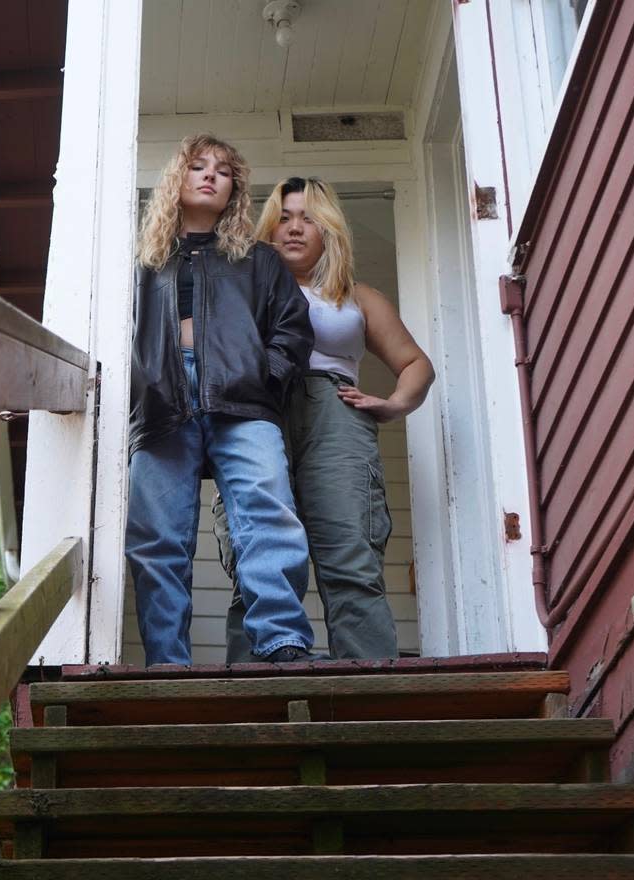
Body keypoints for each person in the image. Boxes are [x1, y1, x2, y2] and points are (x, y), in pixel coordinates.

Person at [217, 177, 435, 661]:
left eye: (309, 217)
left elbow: (416, 364)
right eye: (284, 217)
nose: (294, 228)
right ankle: (250, 697)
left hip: (335, 416)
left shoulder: (356, 297)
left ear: (329, 230)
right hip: (258, 411)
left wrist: (394, 403)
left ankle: (368, 700)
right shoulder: (239, 288)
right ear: (267, 228)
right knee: (257, 556)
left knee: (350, 560)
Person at [126, 136, 319, 666]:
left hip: (243, 401)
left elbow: (293, 329)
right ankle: (166, 662)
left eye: (224, 171)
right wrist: (140, 389)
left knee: (266, 513)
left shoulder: (257, 260)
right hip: (163, 401)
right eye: (197, 165)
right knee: (156, 539)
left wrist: (264, 378)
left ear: (235, 190)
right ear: (177, 179)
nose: (210, 175)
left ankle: (281, 640)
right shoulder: (142, 264)